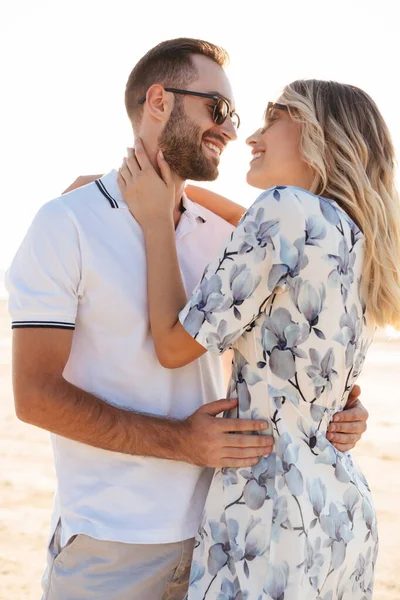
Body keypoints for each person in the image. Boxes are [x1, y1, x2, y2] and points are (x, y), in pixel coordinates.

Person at [6, 34, 367, 600]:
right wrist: (184, 443)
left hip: (226, 535)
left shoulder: (236, 235)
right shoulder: (67, 224)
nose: (231, 129)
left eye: (242, 115)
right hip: (116, 545)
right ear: (159, 102)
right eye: (218, 109)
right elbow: (34, 397)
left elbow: (298, 330)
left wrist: (343, 406)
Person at [117, 79, 400, 599]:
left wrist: (158, 219)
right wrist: (175, 191)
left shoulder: (284, 210)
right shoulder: (358, 239)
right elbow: (254, 231)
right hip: (338, 513)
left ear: (321, 134)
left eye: (275, 116)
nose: (253, 136)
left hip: (269, 511)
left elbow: (173, 346)